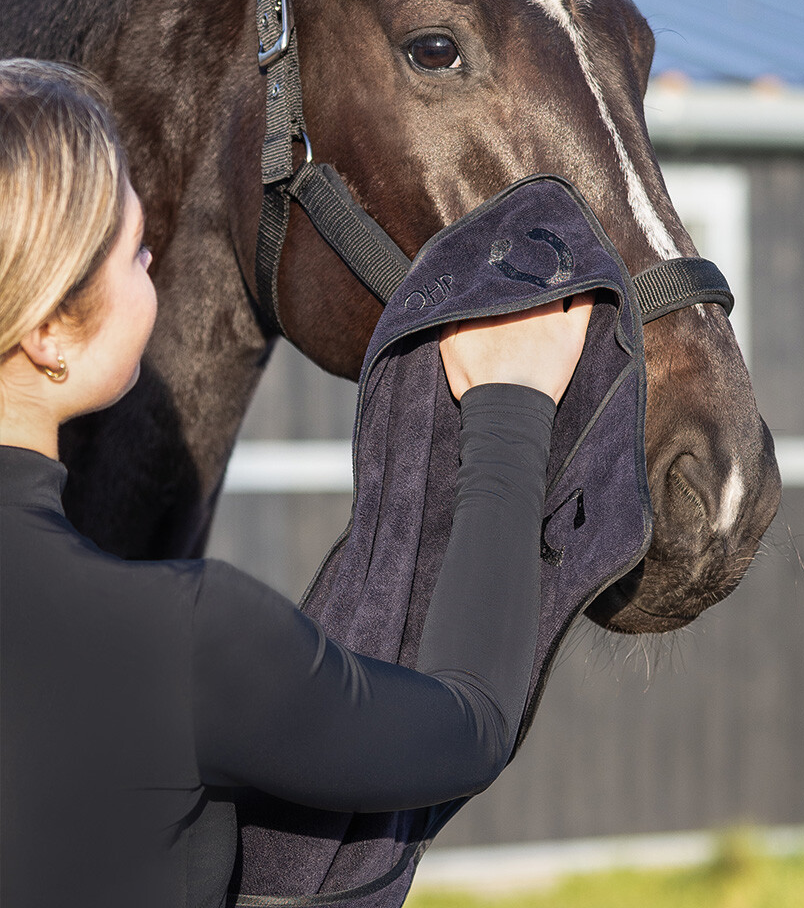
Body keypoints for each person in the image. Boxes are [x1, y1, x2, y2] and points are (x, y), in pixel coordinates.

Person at [0, 59, 593, 908]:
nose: (152, 261)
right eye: (134, 250)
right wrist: (509, 410)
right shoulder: (183, 643)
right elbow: (471, 724)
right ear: (52, 329)